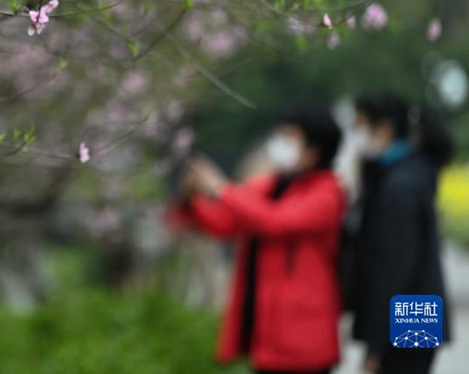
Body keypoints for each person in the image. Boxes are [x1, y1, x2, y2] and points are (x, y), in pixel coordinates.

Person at [169, 103, 346, 374]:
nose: (280, 144)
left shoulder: (327, 192)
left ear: (314, 149)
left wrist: (219, 187)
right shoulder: (269, 185)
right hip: (267, 333)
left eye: (290, 138)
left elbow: (275, 221)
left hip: (304, 337)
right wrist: (190, 200)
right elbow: (224, 221)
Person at [348, 91, 454, 374]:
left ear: (384, 129)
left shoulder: (399, 187)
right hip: (417, 313)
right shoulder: (408, 175)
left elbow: (394, 270)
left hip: (407, 319)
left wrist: (377, 345)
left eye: (361, 126)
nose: (357, 136)